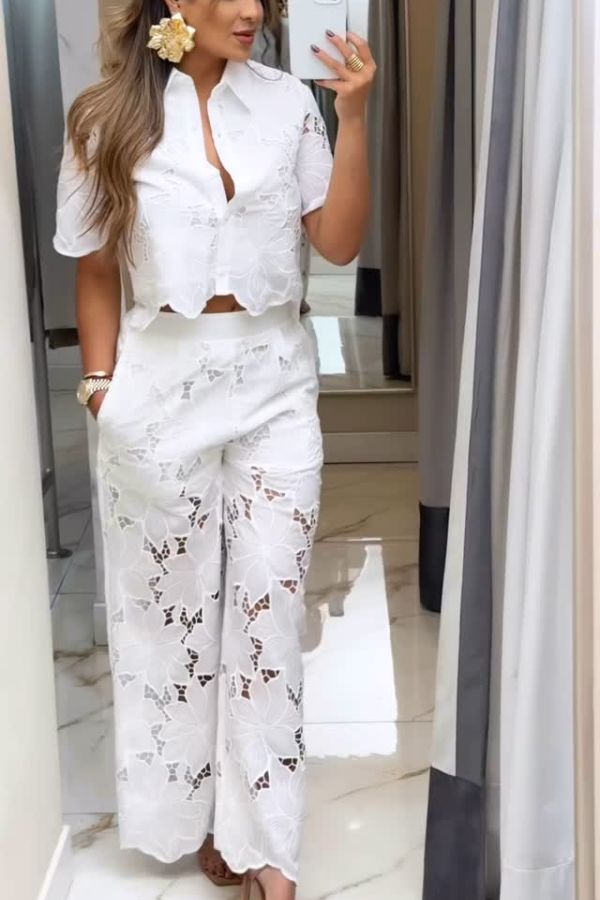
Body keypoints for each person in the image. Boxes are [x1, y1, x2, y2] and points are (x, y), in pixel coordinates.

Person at [52, 1, 374, 897]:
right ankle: (192, 818)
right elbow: (94, 267)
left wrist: (351, 118)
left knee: (269, 608)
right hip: (159, 391)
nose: (251, 9)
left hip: (274, 383)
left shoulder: (287, 103)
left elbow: (338, 242)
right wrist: (102, 390)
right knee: (170, 618)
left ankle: (266, 844)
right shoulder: (103, 118)